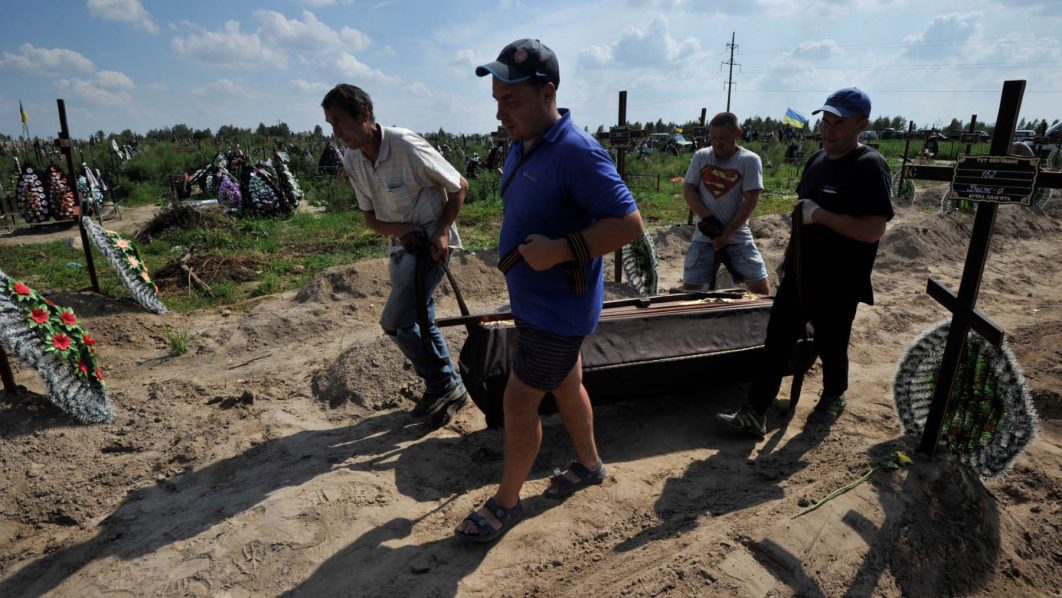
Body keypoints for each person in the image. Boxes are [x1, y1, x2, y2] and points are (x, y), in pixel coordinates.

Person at [454, 39, 644, 543]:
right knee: (567, 384)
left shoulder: (577, 152)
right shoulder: (526, 142)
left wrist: (561, 249)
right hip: (539, 302)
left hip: (558, 310)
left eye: (511, 102)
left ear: (547, 94)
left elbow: (629, 223)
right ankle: (589, 464)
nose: (501, 114)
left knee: (519, 403)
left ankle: (506, 502)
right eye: (497, 101)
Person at [716, 87, 893, 437]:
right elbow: (802, 216)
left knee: (831, 343)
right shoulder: (816, 161)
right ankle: (755, 410)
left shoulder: (868, 166)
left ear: (862, 124)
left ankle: (834, 395)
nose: (828, 130)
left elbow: (873, 230)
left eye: (838, 123)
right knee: (776, 342)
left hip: (840, 280)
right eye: (825, 122)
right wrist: (788, 259)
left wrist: (821, 216)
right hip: (799, 273)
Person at [321, 84, 471, 428]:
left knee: (395, 323)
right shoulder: (354, 160)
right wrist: (401, 229)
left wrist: (443, 231)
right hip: (402, 250)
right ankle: (450, 388)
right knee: (422, 322)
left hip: (431, 247)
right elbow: (371, 219)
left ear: (364, 114)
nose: (336, 132)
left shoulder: (405, 145)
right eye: (331, 125)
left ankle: (443, 384)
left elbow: (459, 186)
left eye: (339, 122)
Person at [679, 112, 770, 295]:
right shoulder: (701, 156)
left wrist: (726, 235)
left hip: (738, 237)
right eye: (713, 138)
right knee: (690, 292)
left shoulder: (749, 160)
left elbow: (750, 201)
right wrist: (709, 221)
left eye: (722, 138)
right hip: (704, 237)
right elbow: (689, 190)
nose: (717, 143)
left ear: (737, 133)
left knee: (761, 291)